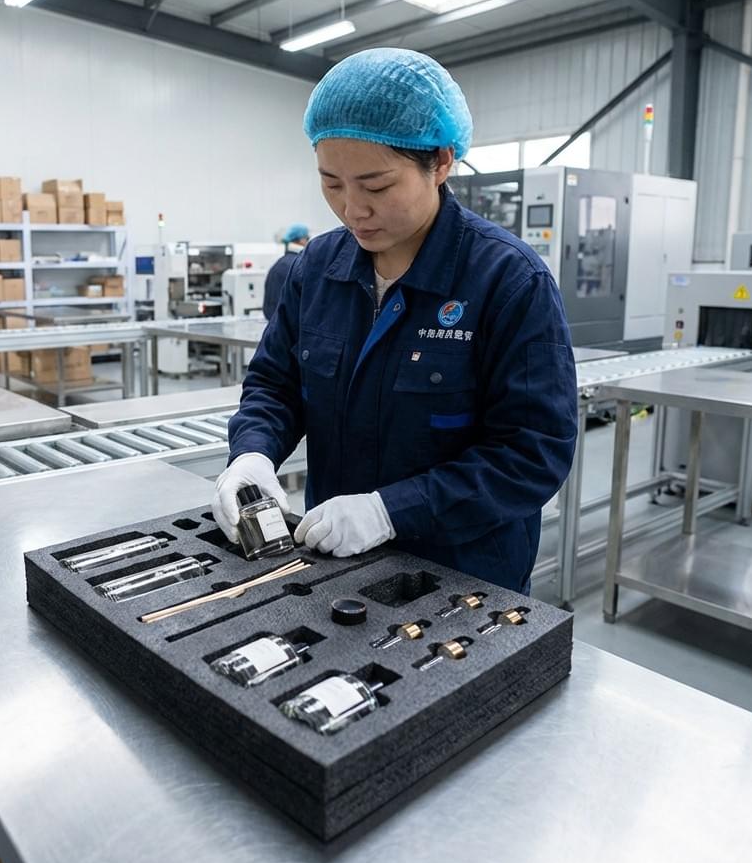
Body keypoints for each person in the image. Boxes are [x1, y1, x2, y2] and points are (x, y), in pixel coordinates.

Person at [211, 48, 578, 593]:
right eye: (331, 183)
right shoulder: (317, 267)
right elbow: (275, 385)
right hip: (334, 560)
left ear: (442, 162)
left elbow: (531, 452)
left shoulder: (508, 280)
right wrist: (253, 454)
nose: (353, 208)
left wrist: (390, 511)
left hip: (463, 574)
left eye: (376, 186)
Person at [263, 224, 310, 320]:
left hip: (274, 323)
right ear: (301, 240)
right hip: (289, 325)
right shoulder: (299, 265)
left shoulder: (279, 264)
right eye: (307, 238)